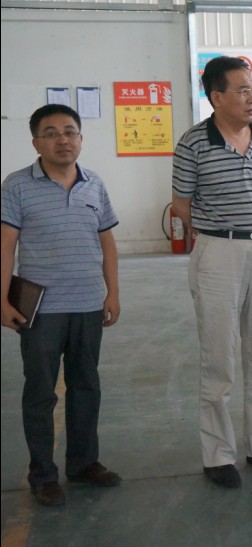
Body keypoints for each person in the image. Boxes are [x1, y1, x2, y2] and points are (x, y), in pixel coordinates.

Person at [171, 56, 252, 489]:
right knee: (219, 358)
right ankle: (218, 455)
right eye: (242, 90)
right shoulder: (193, 142)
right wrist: (219, 233)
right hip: (218, 253)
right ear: (216, 96)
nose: (251, 97)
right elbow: (181, 205)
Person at [1, 104, 122, 507]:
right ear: (36, 142)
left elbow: (107, 242)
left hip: (87, 304)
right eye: (51, 133)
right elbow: (6, 245)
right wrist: (1, 299)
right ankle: (43, 474)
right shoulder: (17, 186)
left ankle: (84, 463)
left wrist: (112, 292)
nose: (62, 140)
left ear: (81, 139)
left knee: (86, 385)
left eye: (70, 132)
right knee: (40, 392)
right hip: (41, 310)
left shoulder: (94, 184)